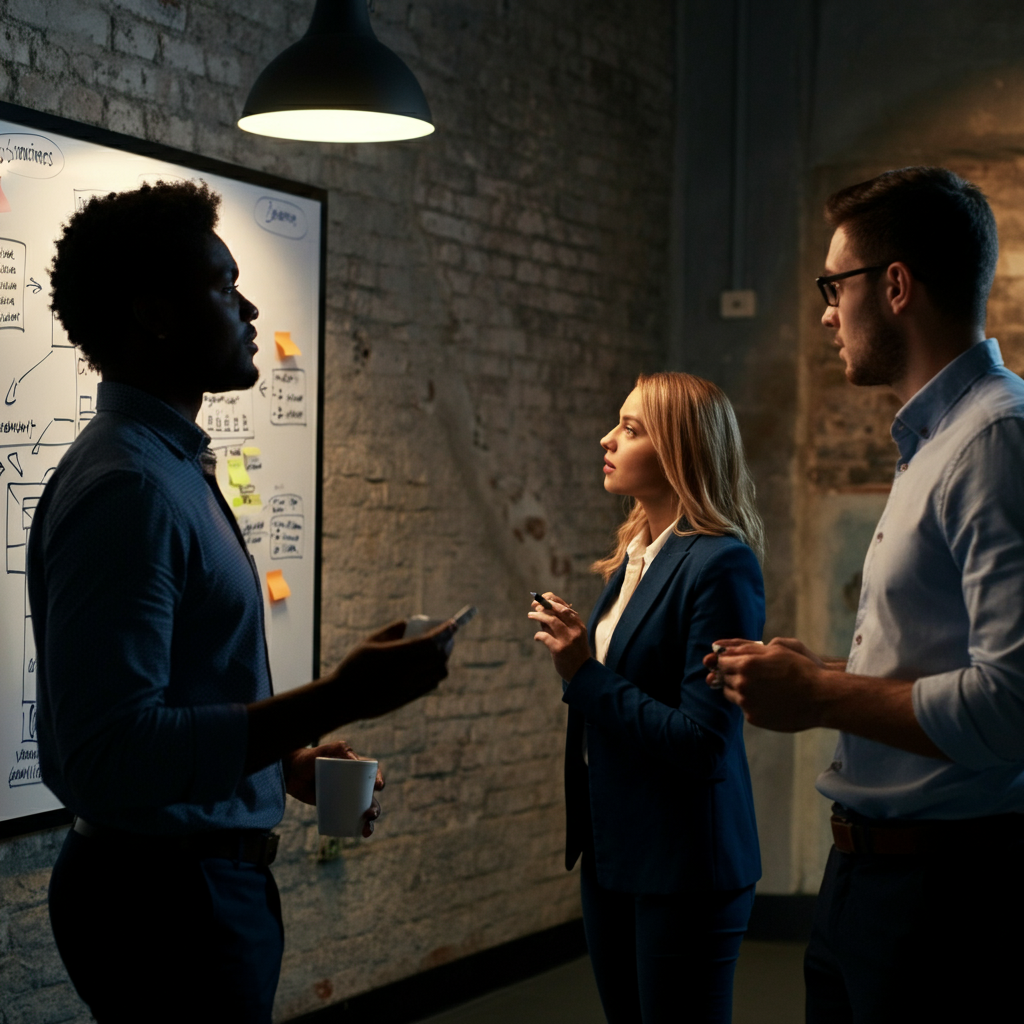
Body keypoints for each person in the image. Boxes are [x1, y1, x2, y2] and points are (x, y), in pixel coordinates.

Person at [29, 181, 454, 1024]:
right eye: (223, 285)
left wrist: (278, 759)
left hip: (185, 887)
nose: (251, 306)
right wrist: (339, 696)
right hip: (167, 906)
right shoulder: (131, 490)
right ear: (154, 314)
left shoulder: (163, 466)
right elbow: (109, 752)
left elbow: (176, 702)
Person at [706, 167, 1024, 1022]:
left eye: (832, 286)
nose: (823, 312)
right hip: (874, 879)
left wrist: (820, 696)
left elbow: (1010, 708)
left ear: (893, 287)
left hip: (948, 894)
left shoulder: (994, 440)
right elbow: (938, 656)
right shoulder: (937, 439)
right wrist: (826, 672)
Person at [530, 372, 766, 1023]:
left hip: (685, 866)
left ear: (680, 452)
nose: (607, 439)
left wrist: (584, 671)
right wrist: (582, 659)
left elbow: (704, 743)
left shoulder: (720, 565)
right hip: (616, 854)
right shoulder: (636, 557)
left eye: (631, 429)